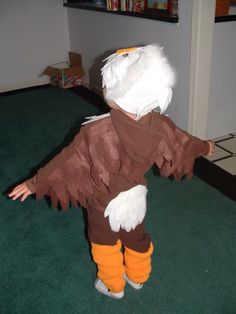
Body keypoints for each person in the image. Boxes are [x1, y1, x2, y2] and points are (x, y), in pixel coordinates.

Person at [8, 45, 214, 299]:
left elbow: (67, 161)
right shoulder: (160, 124)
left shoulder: (97, 131)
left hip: (103, 200)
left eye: (107, 85)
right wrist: (205, 146)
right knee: (135, 234)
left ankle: (113, 285)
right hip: (137, 194)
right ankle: (138, 276)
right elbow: (182, 142)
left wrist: (34, 183)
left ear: (118, 93)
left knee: (104, 240)